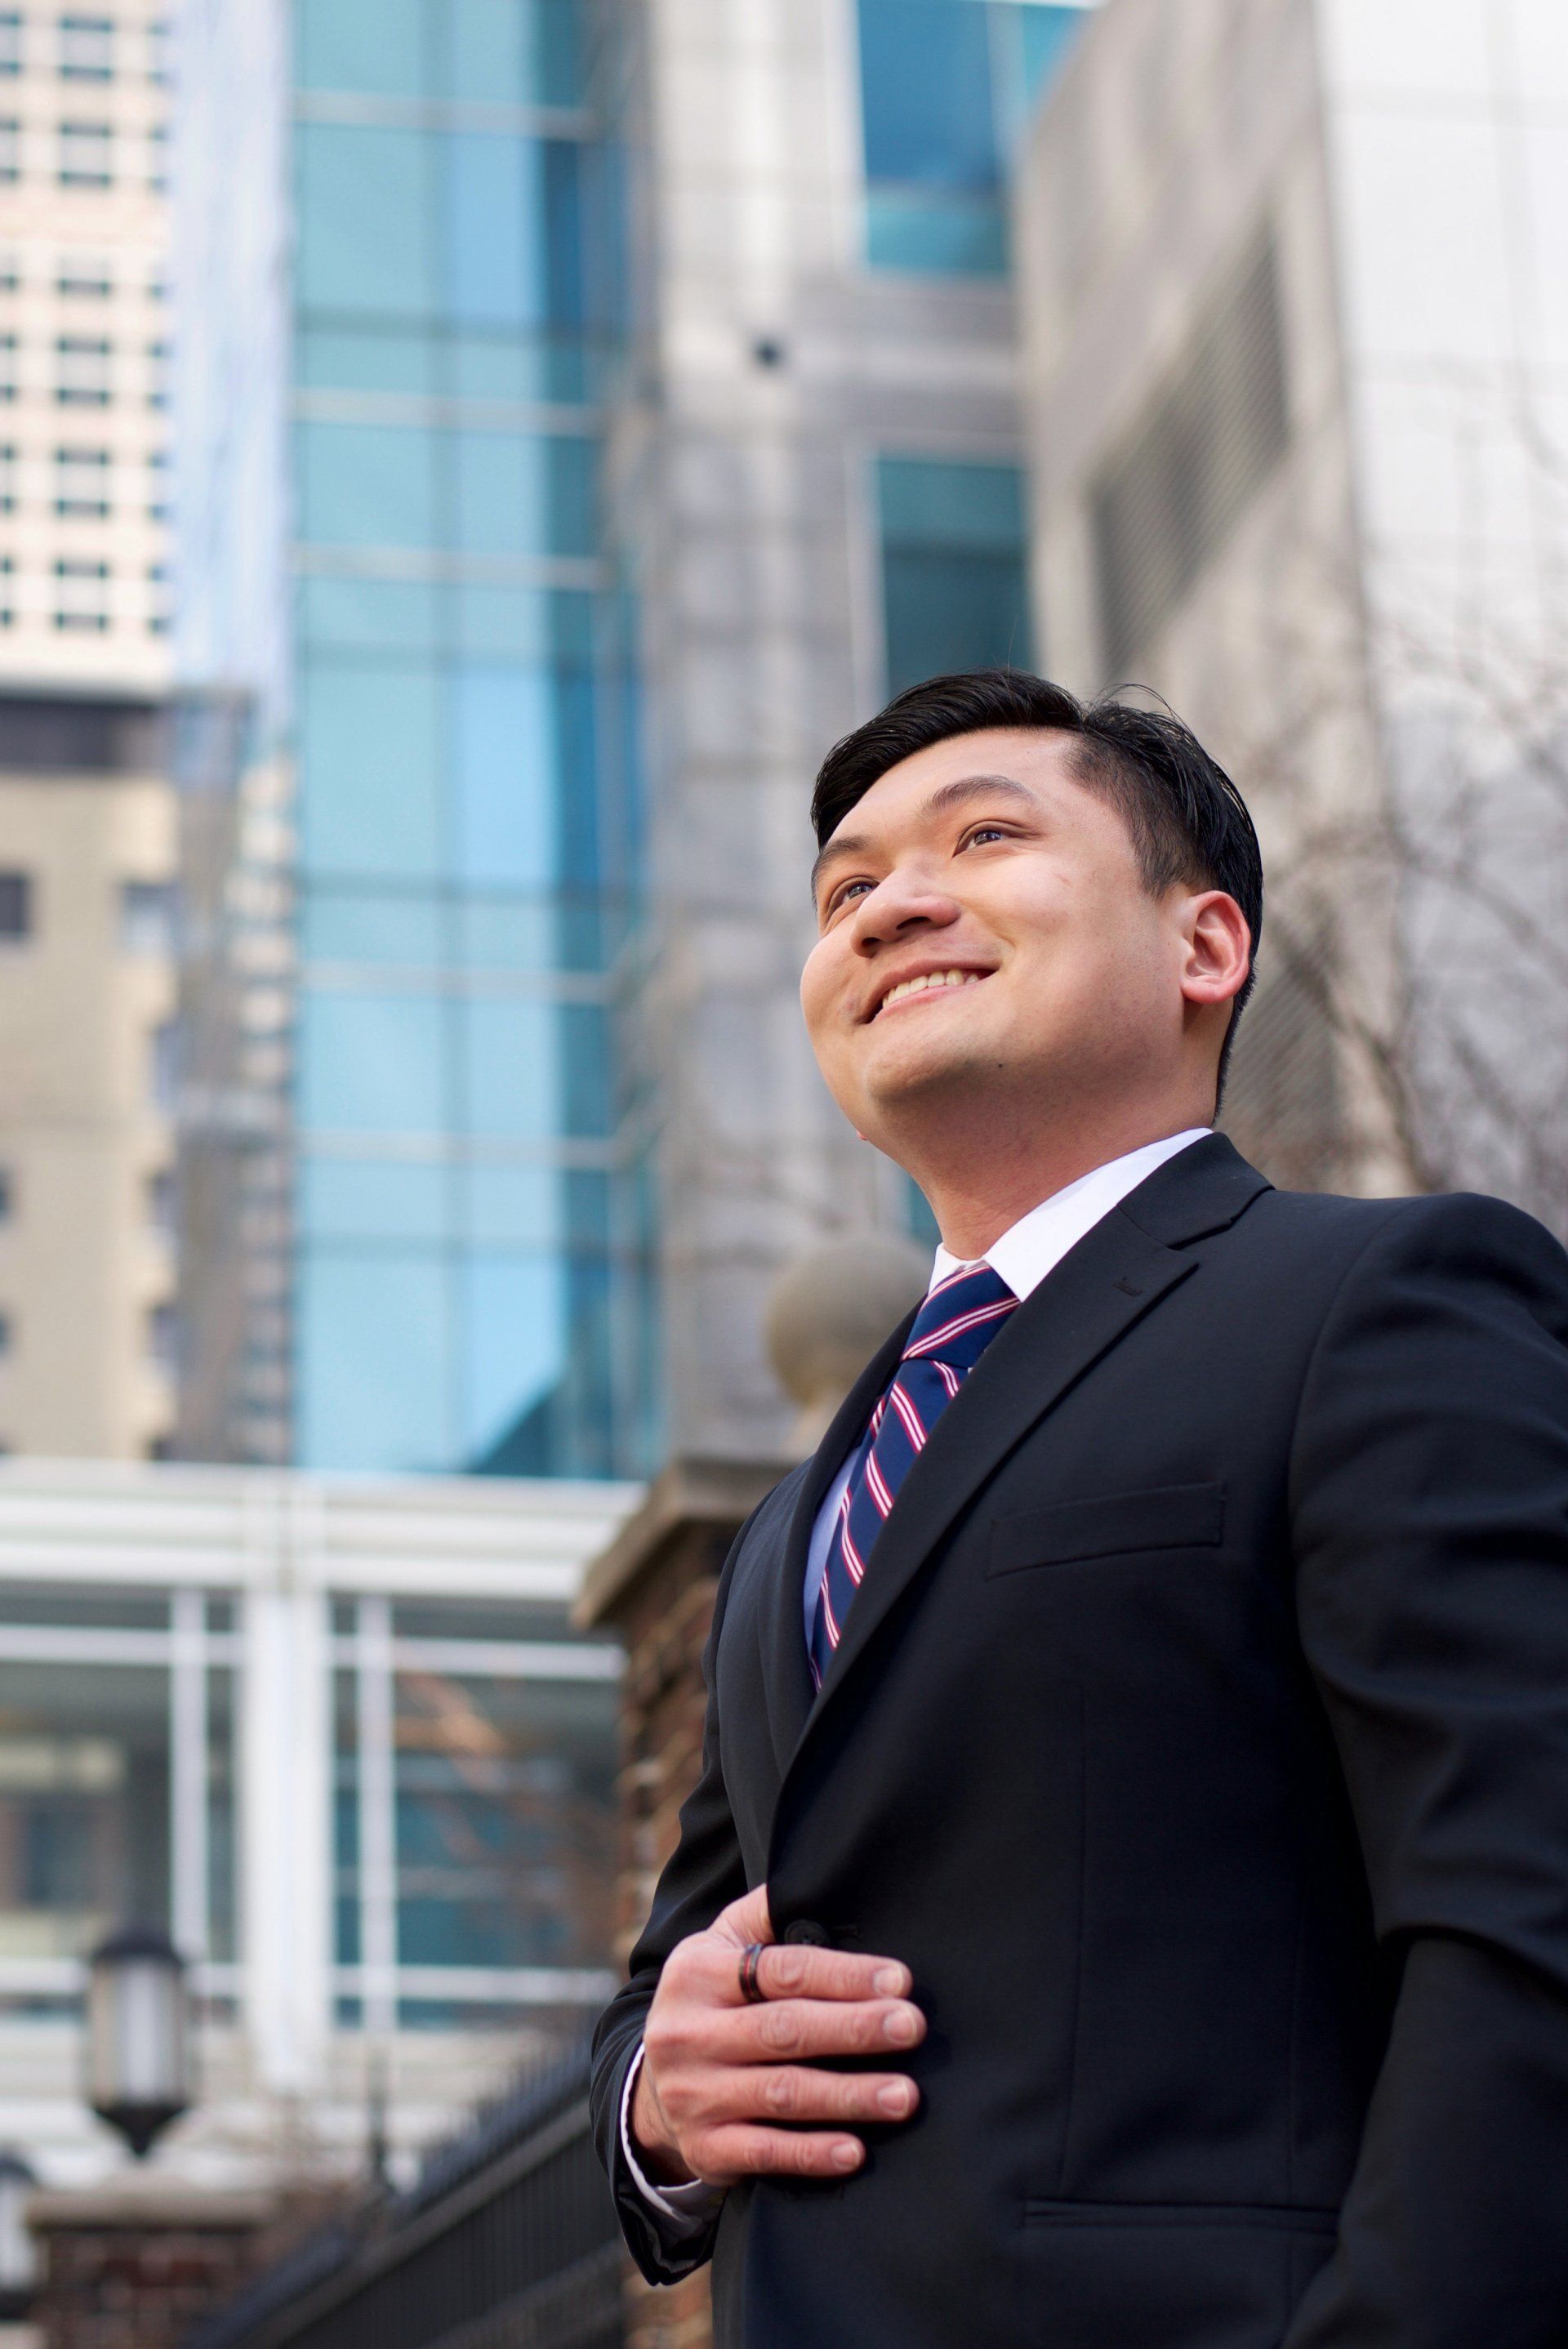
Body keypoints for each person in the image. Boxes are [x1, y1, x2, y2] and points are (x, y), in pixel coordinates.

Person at [590, 669, 1568, 2349]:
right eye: (845, 890)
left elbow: (1525, 1919)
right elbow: (673, 1980)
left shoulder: (1385, 1303)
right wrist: (655, 2109)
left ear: (1205, 947)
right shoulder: (791, 1530)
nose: (893, 899)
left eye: (983, 837)